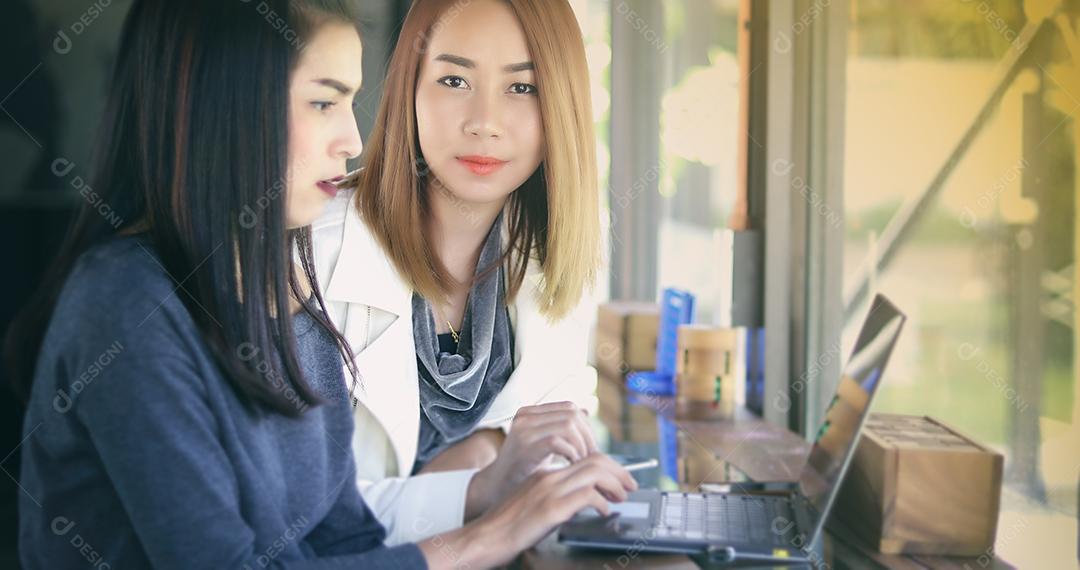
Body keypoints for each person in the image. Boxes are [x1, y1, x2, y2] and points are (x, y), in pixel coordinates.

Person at [6, 1, 634, 568]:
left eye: (348, 101)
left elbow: (339, 536)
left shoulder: (283, 283)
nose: (353, 139)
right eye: (323, 102)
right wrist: (493, 533)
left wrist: (497, 489)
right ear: (229, 103)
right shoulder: (123, 303)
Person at [310, 0, 605, 544]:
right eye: (453, 79)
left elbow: (565, 405)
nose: (484, 123)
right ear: (409, 91)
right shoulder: (309, 251)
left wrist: (489, 443)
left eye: (522, 88)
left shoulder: (556, 243)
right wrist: (482, 485)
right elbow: (309, 519)